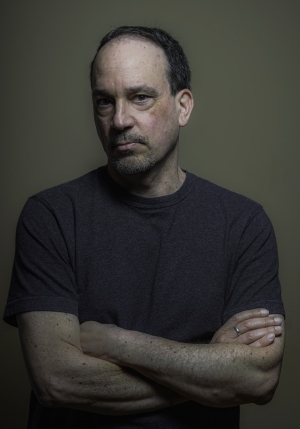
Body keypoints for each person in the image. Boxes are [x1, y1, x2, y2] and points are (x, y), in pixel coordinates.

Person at [4, 26, 285, 428]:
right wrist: (209, 370)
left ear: (183, 106)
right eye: (104, 101)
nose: (119, 120)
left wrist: (119, 343)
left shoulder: (243, 223)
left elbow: (258, 378)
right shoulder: (50, 216)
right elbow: (58, 381)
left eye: (140, 98)